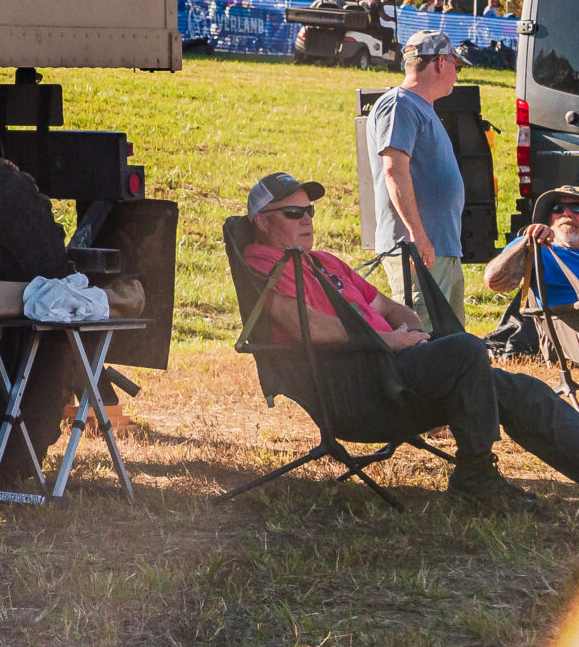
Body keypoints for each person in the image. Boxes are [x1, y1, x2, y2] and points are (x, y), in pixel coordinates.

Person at [241, 173, 579, 502]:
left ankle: (480, 476)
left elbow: (389, 307)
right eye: (293, 212)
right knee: (467, 349)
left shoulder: (324, 262)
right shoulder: (263, 266)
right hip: (359, 390)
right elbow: (308, 328)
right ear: (262, 222)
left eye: (309, 210)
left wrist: (414, 333)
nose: (306, 220)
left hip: (394, 370)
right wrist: (388, 341)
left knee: (519, 389)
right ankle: (475, 475)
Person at [367, 30, 469, 327]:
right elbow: (394, 170)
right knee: (422, 336)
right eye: (456, 66)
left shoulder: (420, 107)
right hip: (418, 249)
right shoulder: (400, 104)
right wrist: (418, 235)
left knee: (451, 341)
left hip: (438, 246)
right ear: (440, 62)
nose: (457, 76)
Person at [485, 185, 579, 362]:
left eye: (576, 208)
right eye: (558, 208)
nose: (566, 213)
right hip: (568, 333)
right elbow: (495, 281)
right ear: (549, 218)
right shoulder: (537, 249)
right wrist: (528, 242)